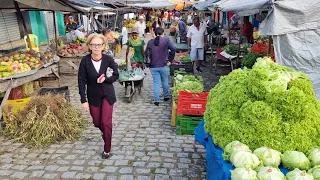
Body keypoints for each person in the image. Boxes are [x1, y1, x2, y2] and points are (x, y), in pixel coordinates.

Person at [78, 34, 119, 159]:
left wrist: (106, 79)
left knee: (106, 122)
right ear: (89, 46)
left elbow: (116, 74)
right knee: (97, 122)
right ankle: (102, 131)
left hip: (108, 95)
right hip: (93, 96)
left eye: (99, 45)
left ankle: (107, 149)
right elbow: (81, 81)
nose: (96, 47)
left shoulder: (108, 59)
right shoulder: (85, 61)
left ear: (103, 46)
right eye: (93, 45)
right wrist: (83, 100)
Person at [146, 27, 176, 106]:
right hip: (164, 65)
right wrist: (170, 60)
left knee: (156, 83)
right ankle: (166, 96)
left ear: (155, 34)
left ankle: (157, 100)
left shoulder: (150, 42)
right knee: (165, 81)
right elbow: (173, 49)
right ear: (162, 33)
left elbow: (146, 54)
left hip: (153, 66)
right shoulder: (166, 41)